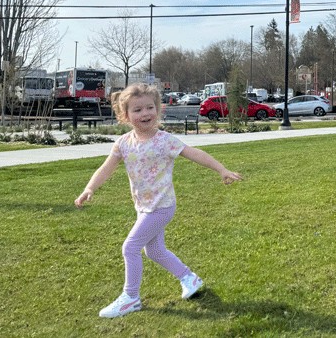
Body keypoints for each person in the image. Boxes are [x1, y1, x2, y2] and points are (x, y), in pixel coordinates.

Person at [74, 83, 242, 319]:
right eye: (137, 110)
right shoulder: (123, 143)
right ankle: (189, 278)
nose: (145, 114)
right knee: (154, 251)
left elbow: (195, 154)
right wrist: (89, 188)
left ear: (158, 109)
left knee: (130, 248)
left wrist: (221, 169)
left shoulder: (165, 141)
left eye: (149, 108)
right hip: (143, 207)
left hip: (161, 207)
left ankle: (130, 298)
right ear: (125, 115)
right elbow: (106, 169)